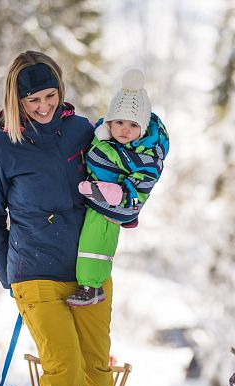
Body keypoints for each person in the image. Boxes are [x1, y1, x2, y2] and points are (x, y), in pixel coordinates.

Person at [0, 51, 121, 386]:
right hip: (34, 273)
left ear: (61, 91)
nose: (43, 106)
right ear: (15, 102)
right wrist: (10, 276)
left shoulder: (83, 131)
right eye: (32, 100)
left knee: (97, 371)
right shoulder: (1, 150)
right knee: (65, 369)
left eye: (50, 95)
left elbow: (124, 162)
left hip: (88, 270)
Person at [66, 69, 169, 307]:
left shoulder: (144, 154)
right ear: (109, 122)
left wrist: (124, 198)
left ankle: (91, 286)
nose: (124, 129)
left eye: (133, 125)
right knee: (88, 238)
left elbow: (145, 181)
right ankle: (87, 281)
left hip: (113, 205)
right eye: (119, 122)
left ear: (142, 130)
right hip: (92, 198)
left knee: (96, 241)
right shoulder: (102, 137)